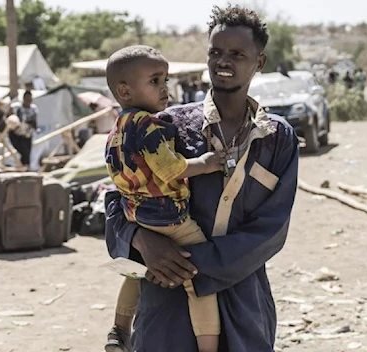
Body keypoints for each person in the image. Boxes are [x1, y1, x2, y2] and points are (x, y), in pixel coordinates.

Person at [105, 4, 299, 351]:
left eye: (238, 53)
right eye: (216, 52)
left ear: (259, 62)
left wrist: (196, 265)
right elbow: (118, 199)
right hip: (166, 302)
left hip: (244, 302)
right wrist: (142, 241)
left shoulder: (277, 139)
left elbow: (271, 229)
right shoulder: (164, 126)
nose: (224, 61)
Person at [9, 91, 38, 168]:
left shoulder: (33, 109)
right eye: (26, 99)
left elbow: (34, 121)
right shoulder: (17, 107)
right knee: (22, 151)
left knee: (27, 153)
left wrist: (36, 129)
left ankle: (25, 167)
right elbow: (10, 117)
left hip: (27, 134)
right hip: (16, 134)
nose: (28, 102)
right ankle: (21, 166)